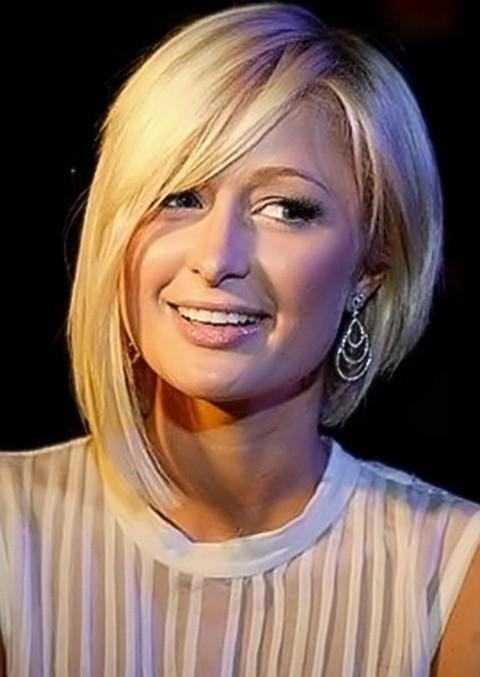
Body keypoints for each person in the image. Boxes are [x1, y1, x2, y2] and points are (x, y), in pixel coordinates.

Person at [1, 2, 478, 675]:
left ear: (369, 270)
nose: (217, 256)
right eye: (180, 196)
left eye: (286, 208)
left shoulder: (452, 570)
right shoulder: (11, 527)